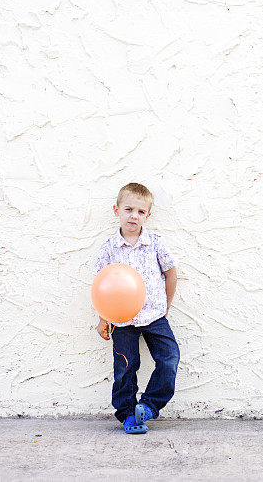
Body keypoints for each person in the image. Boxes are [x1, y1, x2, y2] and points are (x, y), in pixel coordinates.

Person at [94, 182, 179, 434]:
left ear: (148, 216)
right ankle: (128, 416)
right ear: (116, 210)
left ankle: (149, 406)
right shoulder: (109, 247)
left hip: (154, 315)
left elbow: (171, 273)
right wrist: (103, 318)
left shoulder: (155, 243)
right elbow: (102, 286)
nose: (134, 216)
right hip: (121, 319)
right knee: (125, 368)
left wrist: (166, 307)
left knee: (169, 358)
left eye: (141, 212)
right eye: (128, 209)